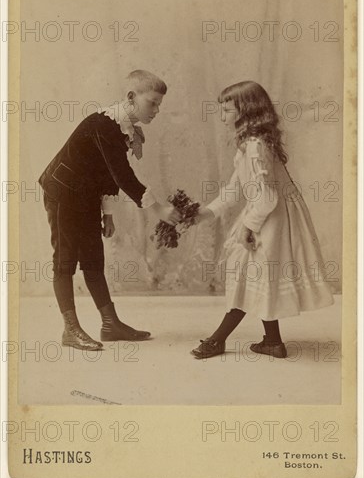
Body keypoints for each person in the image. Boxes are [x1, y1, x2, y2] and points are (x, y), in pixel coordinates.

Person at [191, 81, 334, 360]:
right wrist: (201, 215)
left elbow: (267, 197)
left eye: (226, 110)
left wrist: (248, 226)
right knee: (257, 276)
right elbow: (234, 190)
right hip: (269, 214)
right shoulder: (250, 144)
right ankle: (272, 341)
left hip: (272, 217)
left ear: (245, 111)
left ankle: (217, 340)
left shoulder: (255, 147)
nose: (221, 116)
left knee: (248, 273)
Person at [39, 70, 179, 351]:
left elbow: (106, 173)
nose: (157, 110)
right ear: (131, 97)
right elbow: (122, 175)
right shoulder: (105, 124)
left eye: (160, 104)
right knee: (65, 259)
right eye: (152, 102)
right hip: (63, 193)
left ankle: (110, 324)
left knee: (93, 258)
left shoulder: (122, 128)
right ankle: (70, 330)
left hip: (86, 195)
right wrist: (159, 209)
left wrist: (108, 213)